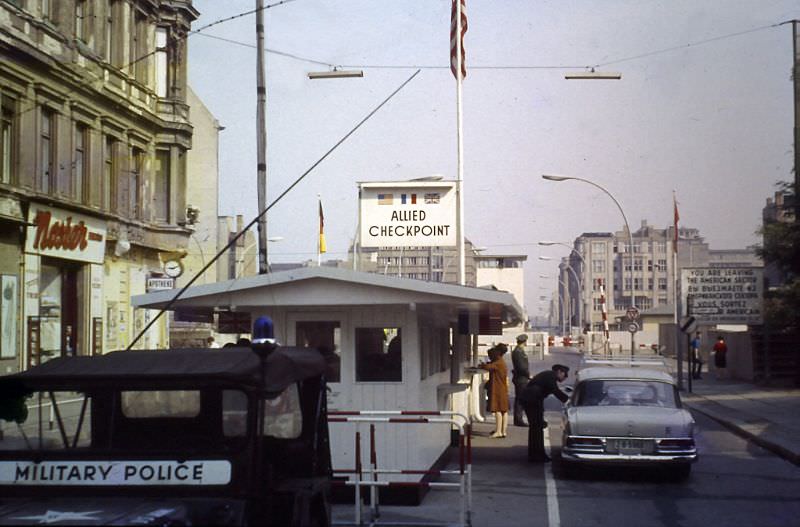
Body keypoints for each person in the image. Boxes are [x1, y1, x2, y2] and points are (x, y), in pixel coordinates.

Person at [519, 364, 570, 462]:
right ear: (559, 372)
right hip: (532, 401)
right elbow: (555, 391)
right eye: (565, 375)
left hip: (532, 400)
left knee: (536, 428)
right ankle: (537, 455)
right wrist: (568, 401)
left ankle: (536, 454)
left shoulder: (548, 375)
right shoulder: (550, 377)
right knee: (536, 428)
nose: (565, 378)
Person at [479, 343, 509, 438]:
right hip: (503, 389)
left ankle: (498, 431)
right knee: (504, 411)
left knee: (497, 410)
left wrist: (482, 365)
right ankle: (503, 431)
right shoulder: (501, 362)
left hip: (497, 389)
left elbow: (488, 367)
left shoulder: (498, 363)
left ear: (498, 353)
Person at [511, 334, 530, 426]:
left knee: (520, 399)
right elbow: (521, 367)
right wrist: (529, 375)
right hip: (521, 379)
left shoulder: (519, 351)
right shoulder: (518, 352)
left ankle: (518, 419)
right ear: (524, 341)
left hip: (521, 378)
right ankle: (518, 420)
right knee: (520, 399)